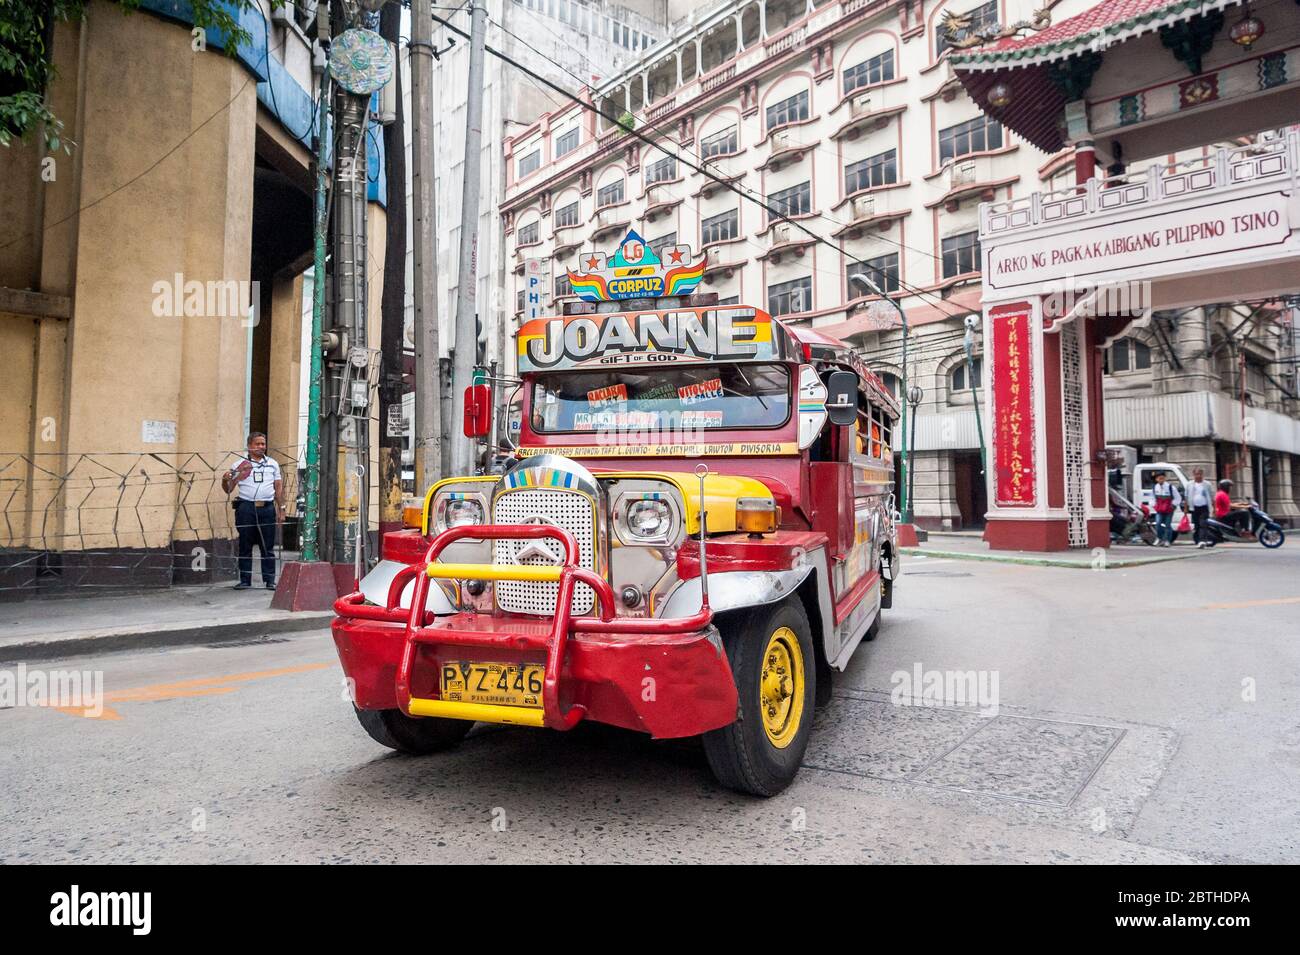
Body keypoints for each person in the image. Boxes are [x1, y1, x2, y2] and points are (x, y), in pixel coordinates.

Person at [221, 432, 284, 590]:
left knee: (267, 546)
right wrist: (225, 479)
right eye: (258, 444)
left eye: (263, 444)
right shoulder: (240, 465)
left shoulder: (272, 464)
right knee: (245, 544)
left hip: (267, 508)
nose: (261, 447)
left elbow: (278, 487)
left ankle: (270, 580)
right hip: (246, 508)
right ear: (249, 446)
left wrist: (281, 508)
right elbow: (229, 489)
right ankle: (245, 580)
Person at [1186, 467, 1215, 548]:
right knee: (1197, 525)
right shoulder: (1189, 484)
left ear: (1202, 475)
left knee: (1203, 524)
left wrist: (1214, 508)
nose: (1198, 476)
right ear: (1193, 475)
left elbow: (1212, 496)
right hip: (1194, 508)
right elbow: (1186, 496)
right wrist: (1185, 508)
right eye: (1196, 474)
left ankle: (1202, 541)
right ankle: (1197, 540)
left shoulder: (1207, 484)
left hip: (1204, 507)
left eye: (1200, 474)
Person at [1150, 472, 1181, 547]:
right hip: (1159, 509)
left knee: (1167, 525)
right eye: (1159, 478)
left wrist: (1172, 505)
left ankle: (1167, 540)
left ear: (1165, 478)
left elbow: (1178, 498)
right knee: (1158, 523)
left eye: (1162, 478)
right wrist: (1154, 505)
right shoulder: (1155, 488)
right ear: (1156, 479)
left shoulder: (1170, 487)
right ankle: (1159, 538)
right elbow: (1152, 498)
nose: (1161, 480)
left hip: (1168, 509)